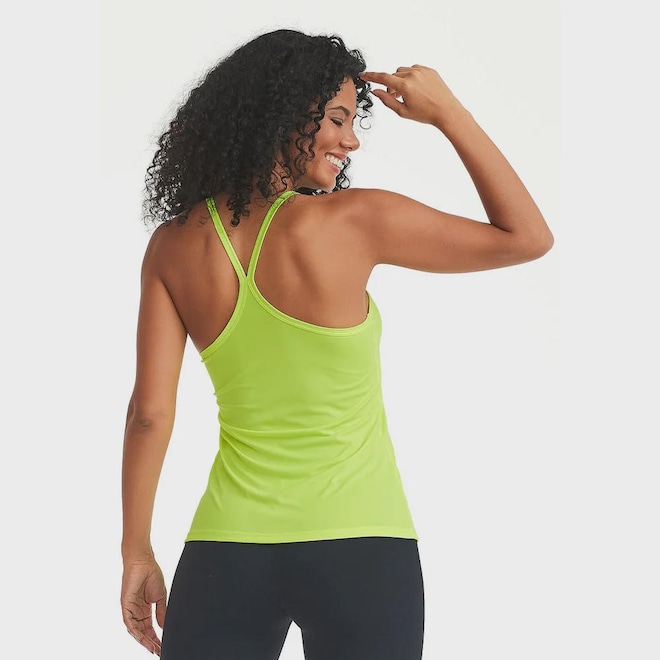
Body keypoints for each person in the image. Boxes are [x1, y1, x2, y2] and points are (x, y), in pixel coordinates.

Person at [120, 28, 553, 660]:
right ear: (283, 114)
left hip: (226, 550)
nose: (351, 141)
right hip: (362, 546)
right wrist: (448, 114)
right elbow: (527, 237)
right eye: (338, 119)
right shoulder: (354, 220)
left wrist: (136, 552)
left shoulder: (173, 245)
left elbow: (149, 415)